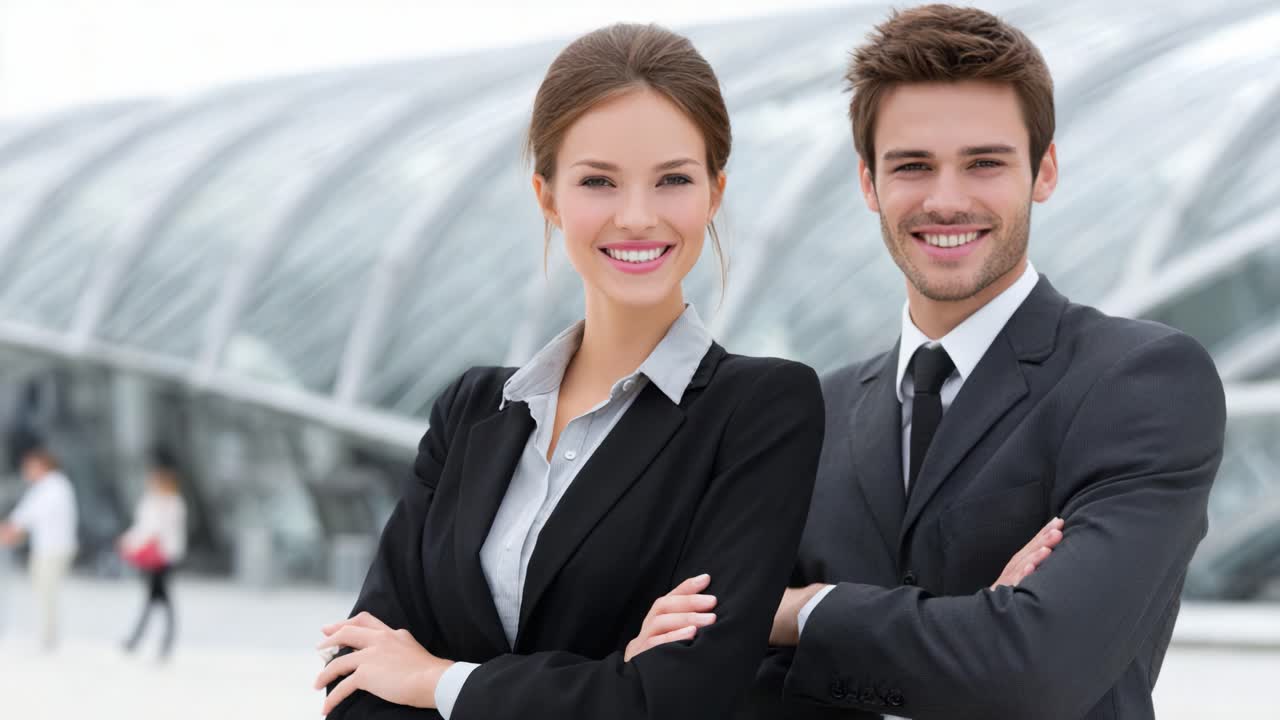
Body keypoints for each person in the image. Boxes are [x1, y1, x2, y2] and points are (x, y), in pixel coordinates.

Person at [633, 5, 1226, 719]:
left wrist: (801, 612)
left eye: (984, 163)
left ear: (1044, 171)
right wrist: (974, 628)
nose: (947, 200)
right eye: (912, 166)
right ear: (868, 183)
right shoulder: (811, 413)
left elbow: (1036, 671)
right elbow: (710, 676)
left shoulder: (1141, 381)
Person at [313, 22, 826, 719]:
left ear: (714, 193)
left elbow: (679, 698)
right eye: (598, 181)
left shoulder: (761, 410)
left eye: (673, 179)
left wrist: (435, 680)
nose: (638, 216)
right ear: (548, 197)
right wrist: (608, 679)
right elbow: (357, 680)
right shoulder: (471, 411)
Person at [0, 441, 79, 651]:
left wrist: (10, 529)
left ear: (41, 465)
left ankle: (48, 638)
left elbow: (29, 514)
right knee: (44, 591)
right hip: (49, 548)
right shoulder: (50, 486)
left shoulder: (54, 486)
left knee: (47, 591)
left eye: (30, 467)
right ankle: (47, 635)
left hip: (52, 549)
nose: (26, 472)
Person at [119, 447, 188, 660]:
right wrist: (129, 541)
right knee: (156, 599)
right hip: (152, 557)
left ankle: (142, 639)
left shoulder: (172, 504)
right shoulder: (151, 501)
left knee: (157, 599)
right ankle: (147, 639)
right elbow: (142, 527)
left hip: (164, 557)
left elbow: (156, 530)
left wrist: (134, 542)